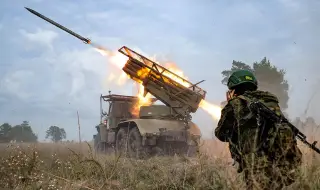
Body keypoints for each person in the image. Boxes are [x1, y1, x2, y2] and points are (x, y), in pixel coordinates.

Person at [215, 69, 302, 190]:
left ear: (233, 88)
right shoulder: (271, 100)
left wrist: (230, 103)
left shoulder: (235, 103)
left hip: (255, 162)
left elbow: (221, 134)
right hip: (279, 158)